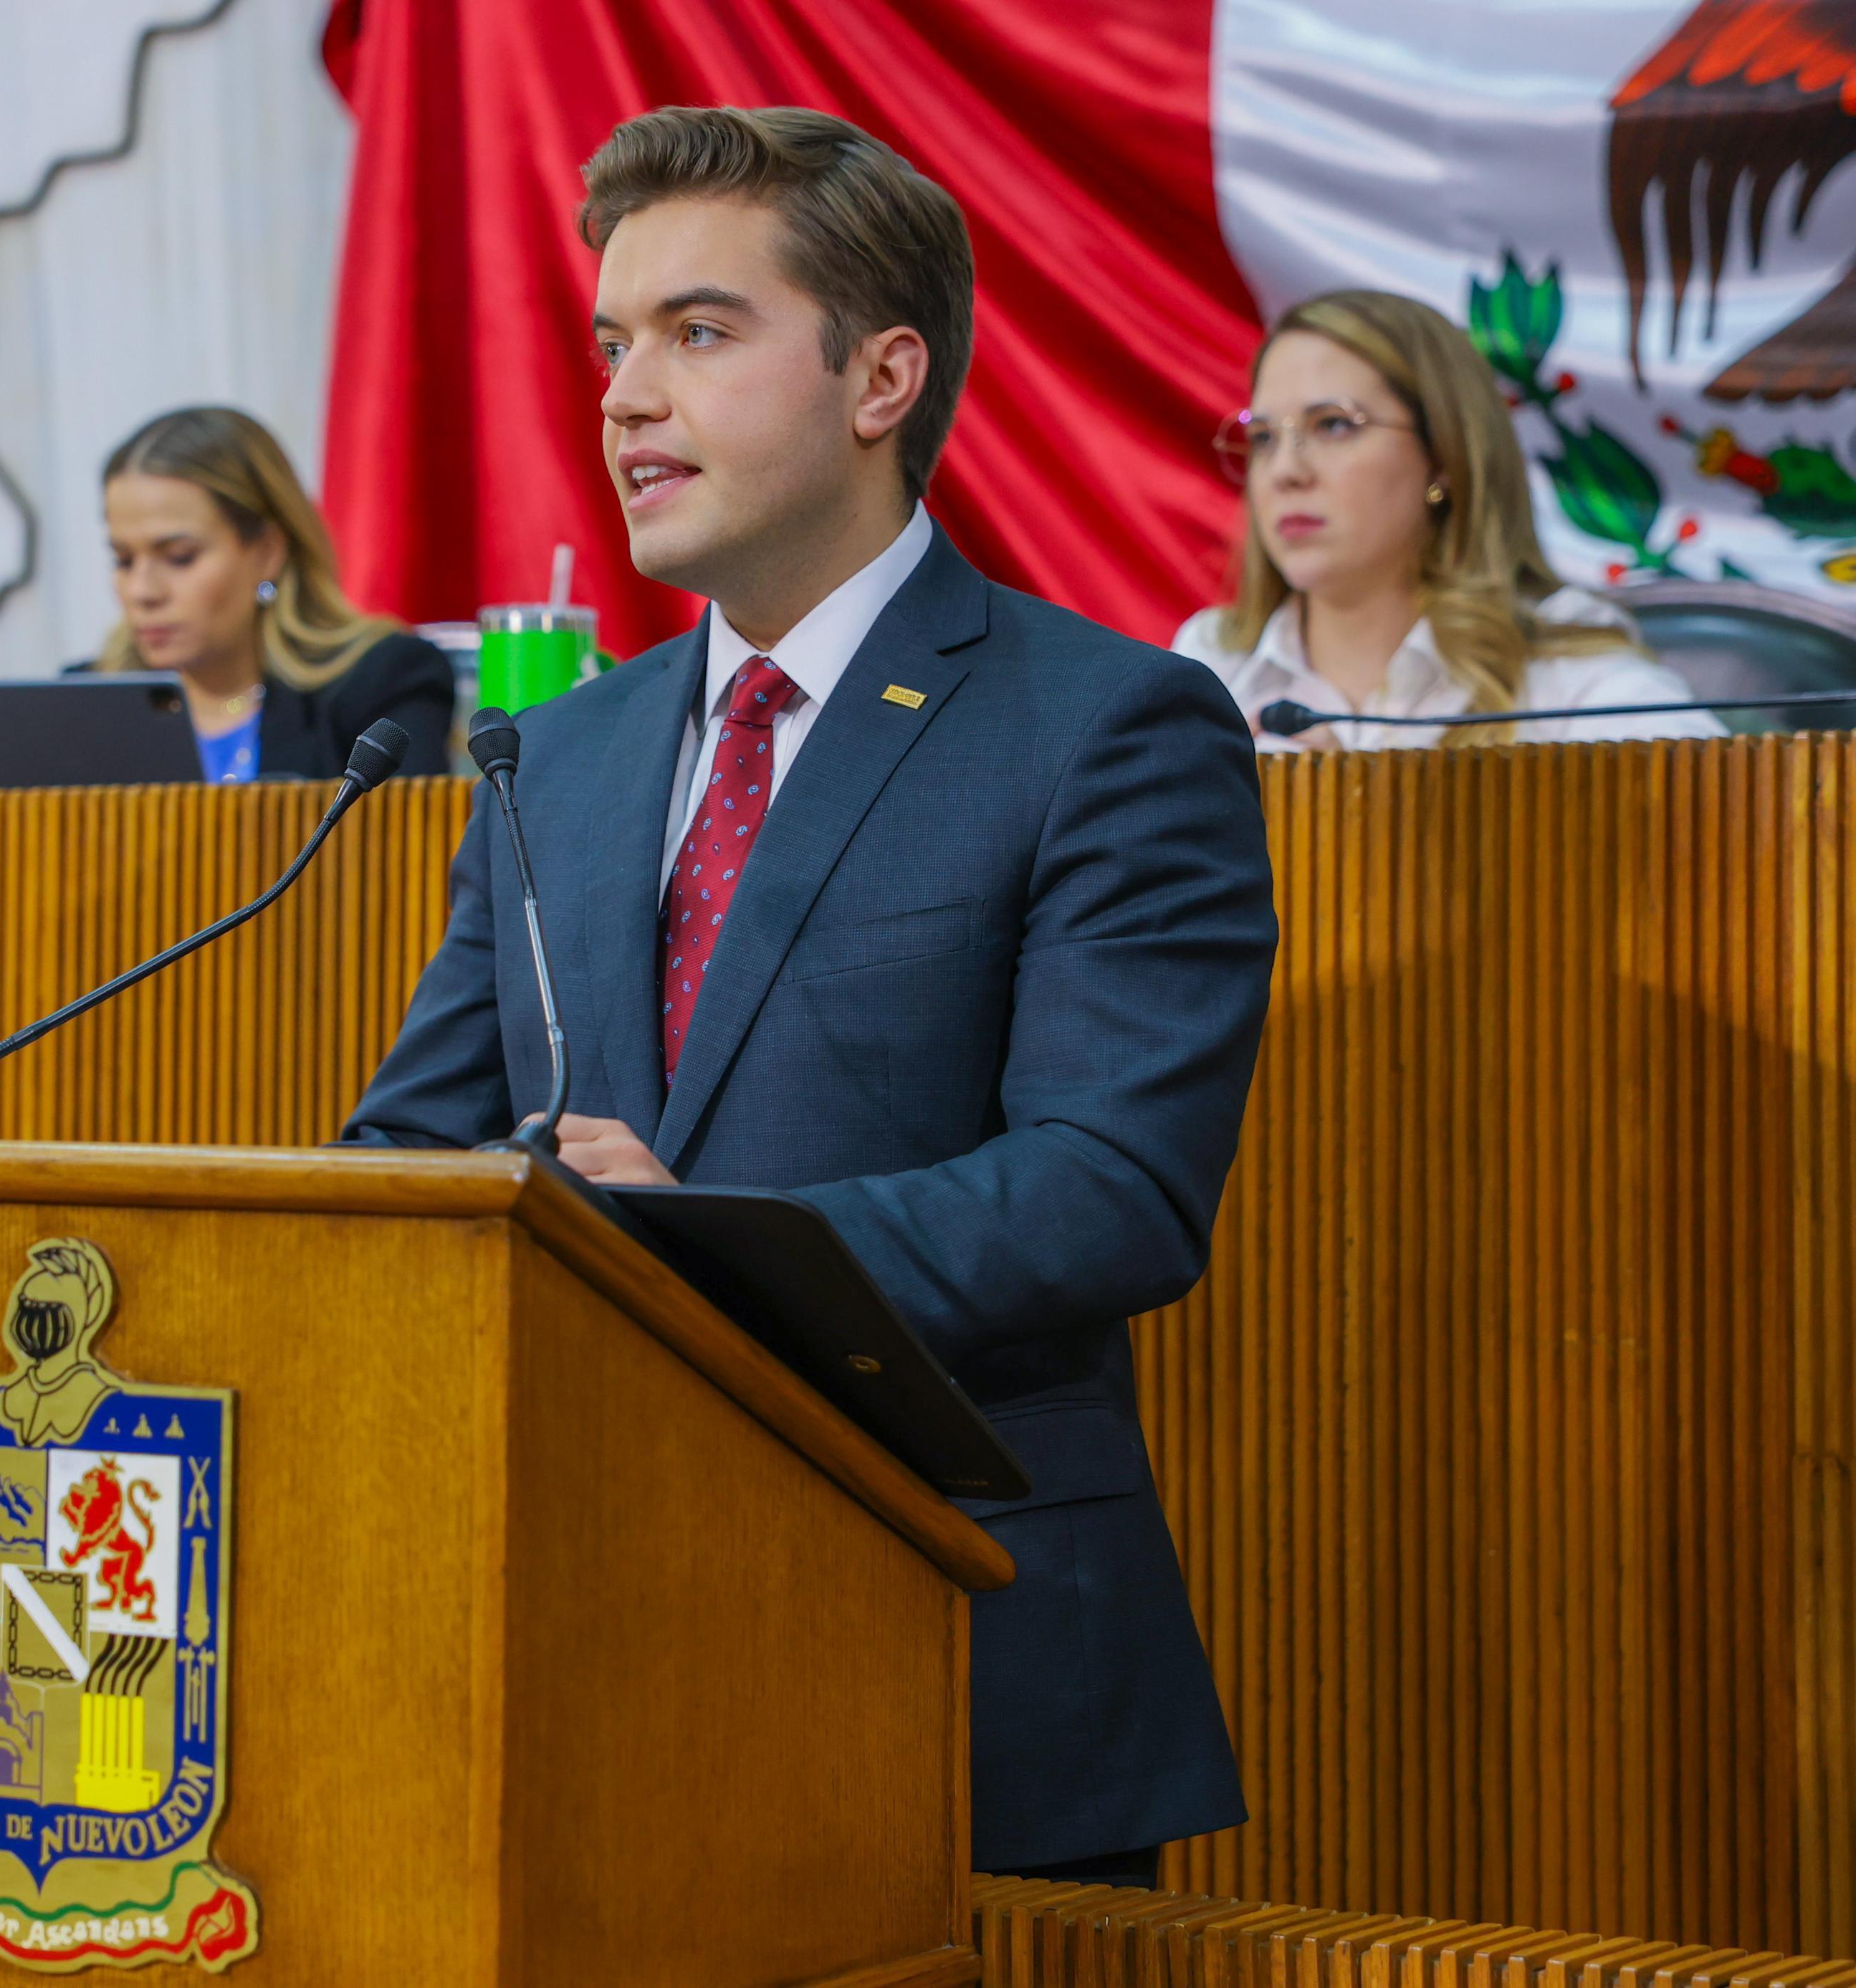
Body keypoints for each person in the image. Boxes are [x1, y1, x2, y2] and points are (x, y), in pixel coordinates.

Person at [340, 106, 1278, 1884]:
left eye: (698, 333)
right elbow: (409, 1146)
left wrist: (702, 1248)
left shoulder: (1104, 725)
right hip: (556, 1668)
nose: (622, 396)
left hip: (944, 1651)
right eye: (612, 342)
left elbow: (1115, 1191)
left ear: (881, 377)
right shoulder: (559, 752)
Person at [1177, 291, 1723, 750]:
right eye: (1265, 438)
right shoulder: (1211, 664)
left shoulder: (1565, 673)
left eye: (1334, 426)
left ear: (1445, 456)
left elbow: (1735, 824)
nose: (1285, 472)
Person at [91, 407, 454, 783]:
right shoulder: (85, 706)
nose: (142, 591)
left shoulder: (381, 686)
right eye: (124, 560)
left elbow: (407, 838)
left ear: (267, 552)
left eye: (180, 558)